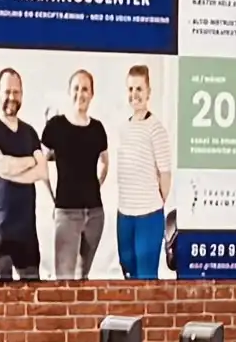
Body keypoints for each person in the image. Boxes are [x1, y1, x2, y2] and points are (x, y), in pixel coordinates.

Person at [38, 69, 112, 279]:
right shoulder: (55, 126)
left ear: (92, 94)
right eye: (76, 88)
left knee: (83, 276)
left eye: (85, 89)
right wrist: (52, 197)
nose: (81, 93)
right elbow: (41, 165)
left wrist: (95, 186)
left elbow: (105, 163)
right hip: (66, 213)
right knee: (64, 278)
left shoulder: (97, 128)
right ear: (69, 92)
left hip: (95, 214)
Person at [107, 62, 175, 282]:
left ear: (148, 93)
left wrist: (153, 202)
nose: (134, 94)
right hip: (124, 216)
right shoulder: (123, 128)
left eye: (139, 89)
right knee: (128, 272)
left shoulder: (156, 128)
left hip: (148, 216)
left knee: (145, 278)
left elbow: (165, 175)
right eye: (130, 89)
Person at [0, 66, 45, 281]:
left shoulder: (29, 132)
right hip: (0, 231)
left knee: (33, 298)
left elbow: (43, 171)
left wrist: (13, 170)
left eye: (16, 92)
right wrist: (30, 161)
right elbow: (1, 166)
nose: (11, 97)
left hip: (27, 231)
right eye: (7, 92)